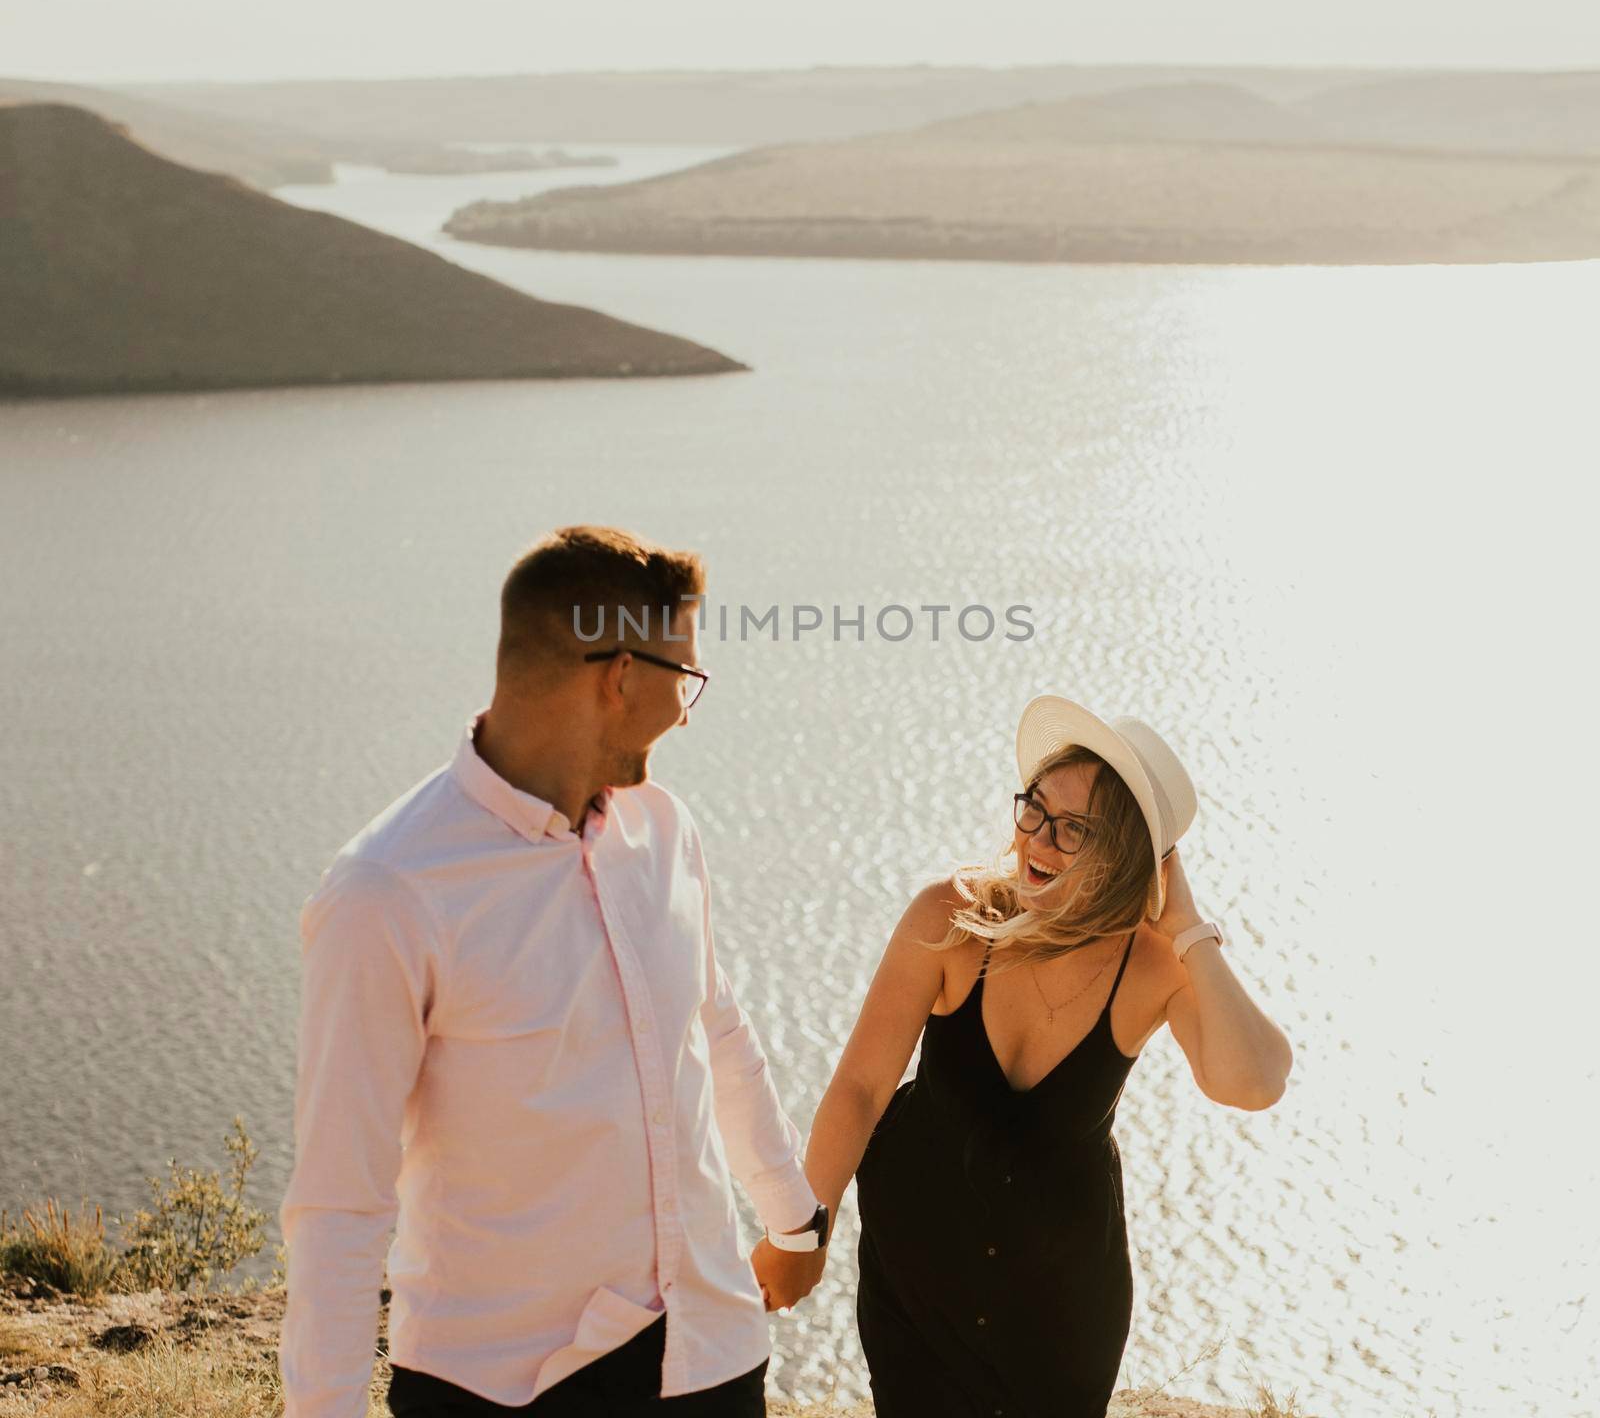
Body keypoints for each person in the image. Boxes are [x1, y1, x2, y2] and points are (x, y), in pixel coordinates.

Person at [278, 525, 829, 1418]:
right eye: (684, 679)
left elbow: (714, 1027)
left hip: (708, 1355)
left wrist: (791, 1215)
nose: (687, 711)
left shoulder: (665, 831)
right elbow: (340, 1204)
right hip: (508, 1385)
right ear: (619, 676)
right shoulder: (387, 893)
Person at [803, 694, 1294, 1418]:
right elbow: (860, 1089)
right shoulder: (953, 918)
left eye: (1074, 830)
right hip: (918, 1282)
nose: (1038, 838)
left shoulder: (1153, 965)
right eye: (1033, 809)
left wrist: (1189, 927)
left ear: (1128, 853)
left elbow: (1252, 1082)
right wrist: (803, 1229)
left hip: (1060, 1308)